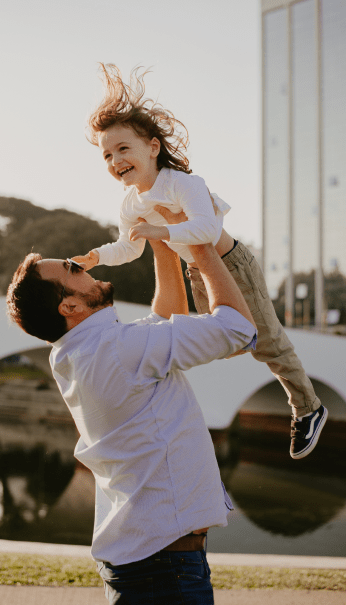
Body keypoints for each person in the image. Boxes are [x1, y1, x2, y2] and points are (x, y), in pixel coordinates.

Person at [73, 63, 327, 460]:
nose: (115, 160)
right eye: (107, 155)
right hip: (198, 272)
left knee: (270, 341)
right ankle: (292, 388)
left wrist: (163, 232)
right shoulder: (130, 204)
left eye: (124, 149)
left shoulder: (182, 184)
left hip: (230, 263)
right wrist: (97, 257)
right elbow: (130, 246)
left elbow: (206, 230)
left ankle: (308, 407)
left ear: (152, 148)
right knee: (228, 342)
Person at [6, 231, 257, 605]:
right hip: (164, 569)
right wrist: (201, 241)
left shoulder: (77, 352)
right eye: (72, 268)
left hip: (150, 562)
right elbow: (238, 329)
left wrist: (161, 242)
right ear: (69, 306)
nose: (82, 264)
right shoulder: (116, 349)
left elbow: (166, 318)